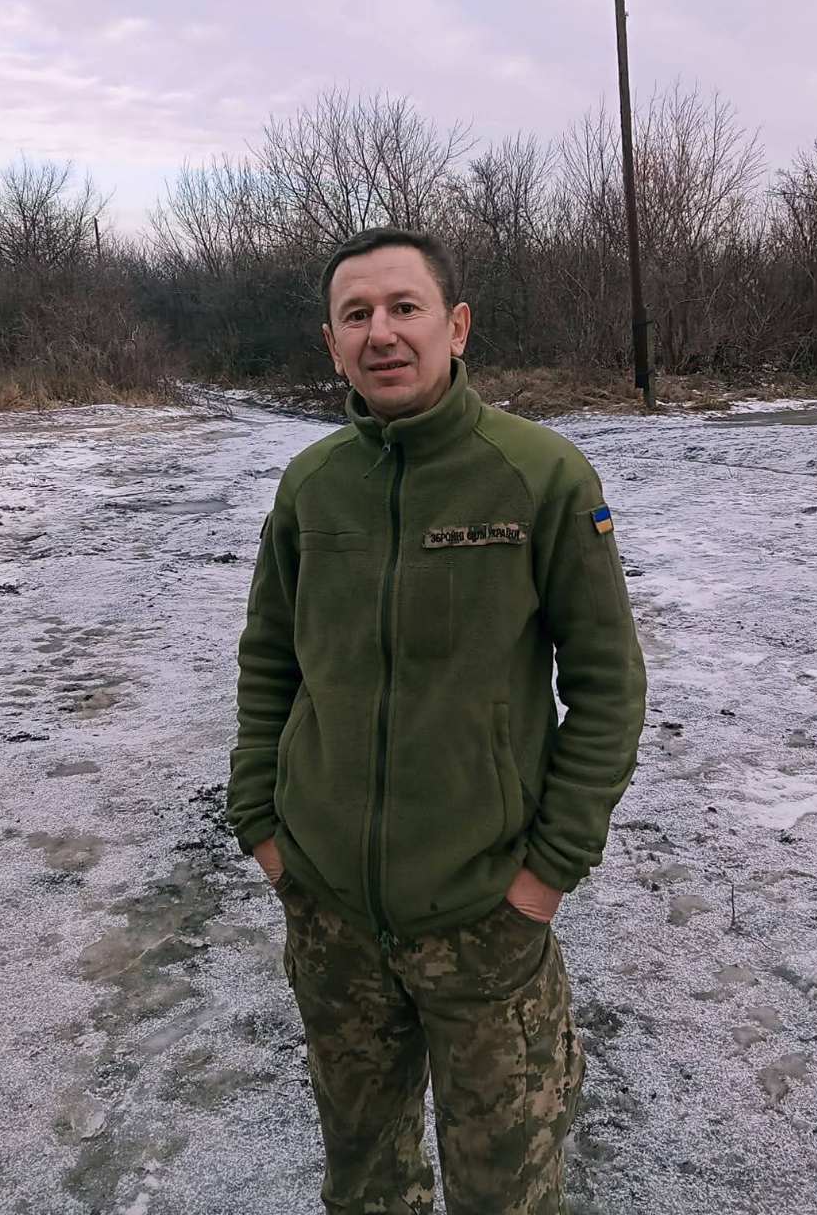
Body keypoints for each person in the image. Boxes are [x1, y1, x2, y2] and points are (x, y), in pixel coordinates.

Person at [226, 227, 646, 1215]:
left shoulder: (541, 476)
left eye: (404, 307)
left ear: (455, 327)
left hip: (483, 923)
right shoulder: (311, 487)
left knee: (508, 1192)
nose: (382, 332)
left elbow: (608, 685)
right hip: (331, 917)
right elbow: (270, 660)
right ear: (331, 343)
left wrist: (545, 877)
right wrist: (262, 825)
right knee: (364, 1182)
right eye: (356, 314)